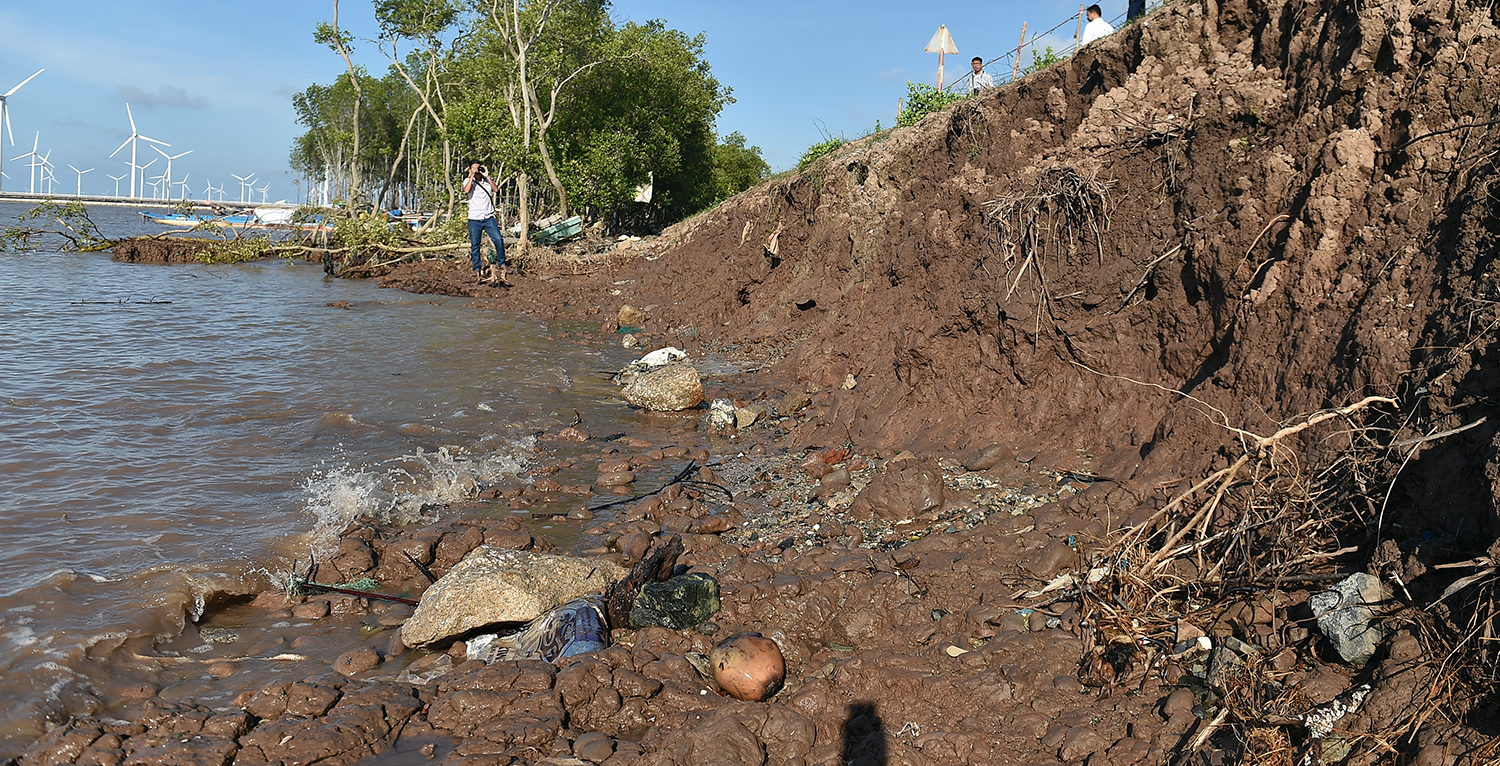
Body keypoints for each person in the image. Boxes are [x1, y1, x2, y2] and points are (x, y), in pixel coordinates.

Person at [463, 161, 507, 284]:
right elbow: (466, 191)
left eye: (479, 167)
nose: (478, 170)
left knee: (498, 239)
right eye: (475, 168)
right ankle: (477, 268)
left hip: (489, 217)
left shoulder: (488, 180)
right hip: (474, 218)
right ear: (470, 169)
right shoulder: (468, 181)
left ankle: (502, 263)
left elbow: (496, 189)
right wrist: (472, 175)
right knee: (475, 244)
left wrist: (487, 176)